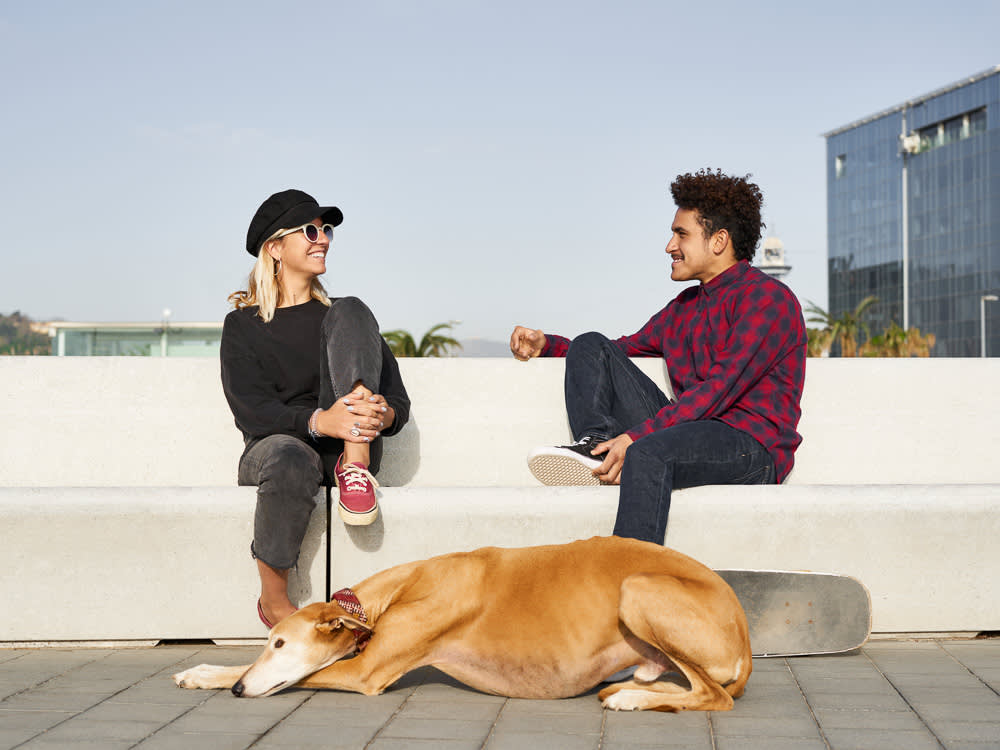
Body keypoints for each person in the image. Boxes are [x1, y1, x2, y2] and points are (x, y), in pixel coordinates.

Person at [510, 168, 806, 544]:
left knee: (647, 453)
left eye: (681, 234)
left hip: (750, 446)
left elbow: (719, 388)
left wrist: (637, 437)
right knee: (591, 342)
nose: (669, 246)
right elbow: (616, 353)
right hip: (689, 432)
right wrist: (547, 346)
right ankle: (594, 444)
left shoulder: (767, 300)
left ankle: (628, 579)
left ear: (718, 241)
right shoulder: (683, 308)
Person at [221, 189, 410, 628]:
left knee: (352, 307)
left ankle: (356, 462)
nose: (321, 238)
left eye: (325, 230)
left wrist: (384, 416)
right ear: (275, 248)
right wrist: (318, 420)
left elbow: (397, 400)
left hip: (344, 456)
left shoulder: (346, 320)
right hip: (275, 450)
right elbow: (251, 410)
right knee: (290, 455)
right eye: (309, 230)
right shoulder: (243, 325)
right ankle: (274, 601)